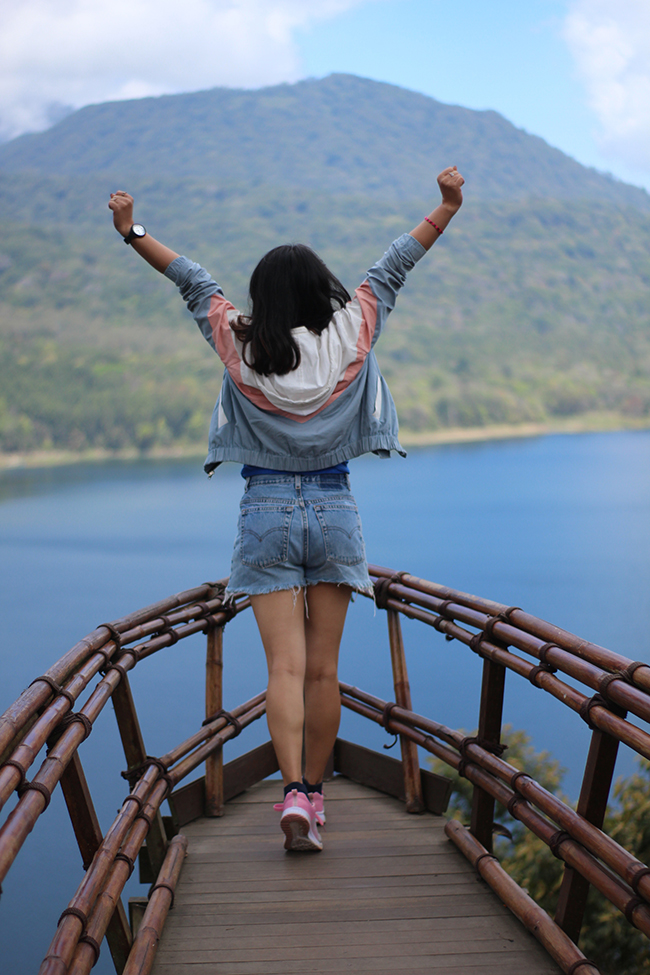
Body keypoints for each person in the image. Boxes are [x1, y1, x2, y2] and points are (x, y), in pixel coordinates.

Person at [108, 167, 464, 851]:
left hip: (264, 508)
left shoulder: (237, 339)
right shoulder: (354, 328)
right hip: (334, 507)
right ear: (320, 288)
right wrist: (445, 207)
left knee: (284, 671)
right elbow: (397, 263)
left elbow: (190, 278)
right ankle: (316, 798)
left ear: (262, 298)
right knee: (326, 669)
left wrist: (133, 232)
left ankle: (289, 794)